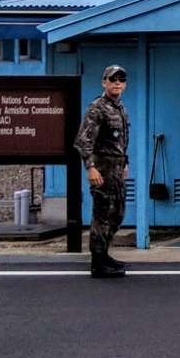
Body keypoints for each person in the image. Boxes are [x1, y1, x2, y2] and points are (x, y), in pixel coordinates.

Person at [73, 64, 131, 278]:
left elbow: (121, 140)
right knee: (103, 212)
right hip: (102, 168)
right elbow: (83, 141)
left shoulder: (119, 107)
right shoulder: (98, 108)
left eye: (121, 80)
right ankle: (97, 261)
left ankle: (104, 253)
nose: (117, 83)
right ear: (104, 82)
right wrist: (90, 167)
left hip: (116, 166)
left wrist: (125, 162)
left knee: (117, 213)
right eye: (113, 79)